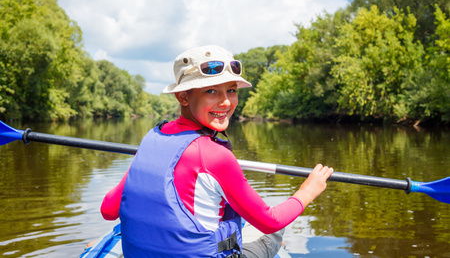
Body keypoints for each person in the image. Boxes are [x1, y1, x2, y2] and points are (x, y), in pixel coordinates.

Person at [100, 45, 333, 258]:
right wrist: (307, 191)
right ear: (183, 96)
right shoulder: (215, 156)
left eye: (231, 90)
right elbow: (270, 221)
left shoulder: (152, 138)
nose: (225, 102)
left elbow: (108, 210)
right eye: (211, 91)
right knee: (273, 234)